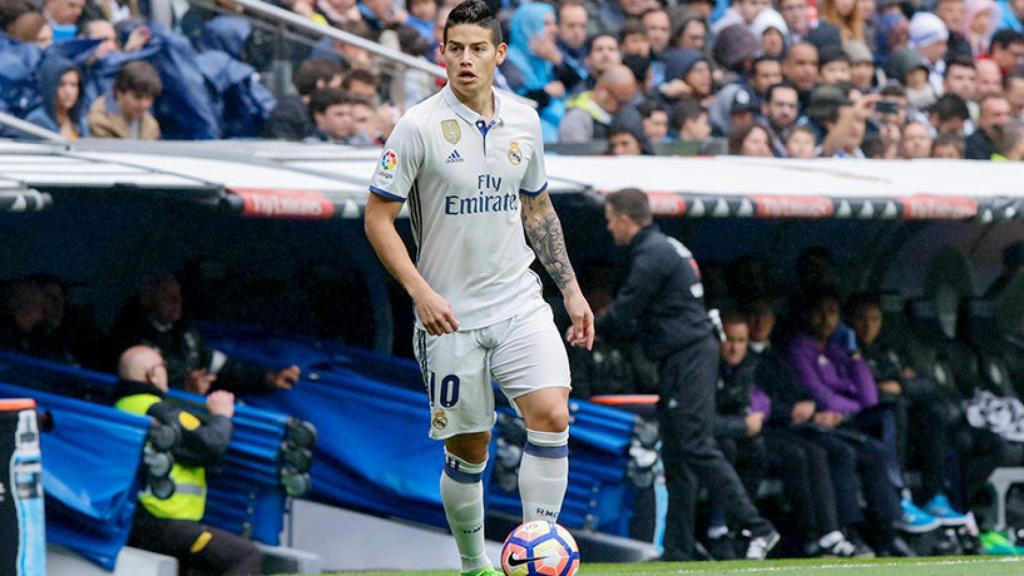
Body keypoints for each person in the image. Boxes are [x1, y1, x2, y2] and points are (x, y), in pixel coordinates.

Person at [363, 2, 594, 574]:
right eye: (456, 48)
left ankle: (538, 558)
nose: (466, 60)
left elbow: (537, 207)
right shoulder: (417, 126)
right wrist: (419, 290)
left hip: (519, 300)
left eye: (478, 48)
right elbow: (376, 218)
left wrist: (570, 289)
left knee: (551, 415)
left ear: (499, 54)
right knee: (471, 450)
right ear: (441, 54)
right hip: (449, 315)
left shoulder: (525, 120)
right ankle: (473, 564)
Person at [595, 188, 779, 561]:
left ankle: (757, 527)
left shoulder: (651, 253)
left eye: (611, 220)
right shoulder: (665, 247)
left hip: (689, 356)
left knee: (696, 443)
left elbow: (627, 308)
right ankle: (677, 549)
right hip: (681, 356)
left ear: (627, 219)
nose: (610, 228)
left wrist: (584, 325)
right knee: (678, 456)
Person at [113, 346, 262, 576]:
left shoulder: (124, 406)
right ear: (151, 376)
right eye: (162, 366)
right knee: (245, 555)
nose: (167, 371)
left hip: (140, 520)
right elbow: (211, 443)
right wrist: (222, 415)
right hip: (165, 523)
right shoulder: (160, 412)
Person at [109, 273, 300, 396]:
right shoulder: (131, 340)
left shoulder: (187, 334)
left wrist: (267, 377)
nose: (177, 302)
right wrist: (184, 388)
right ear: (148, 301)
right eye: (168, 298)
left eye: (179, 296)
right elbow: (137, 387)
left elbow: (221, 364)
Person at [87, 60, 162, 140]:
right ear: (119, 93)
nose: (144, 105)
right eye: (137, 97)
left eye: (148, 98)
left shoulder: (151, 125)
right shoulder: (99, 122)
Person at [26, 55, 87, 139]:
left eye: (73, 85)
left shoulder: (80, 122)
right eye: (61, 84)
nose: (68, 92)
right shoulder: (37, 122)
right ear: (50, 86)